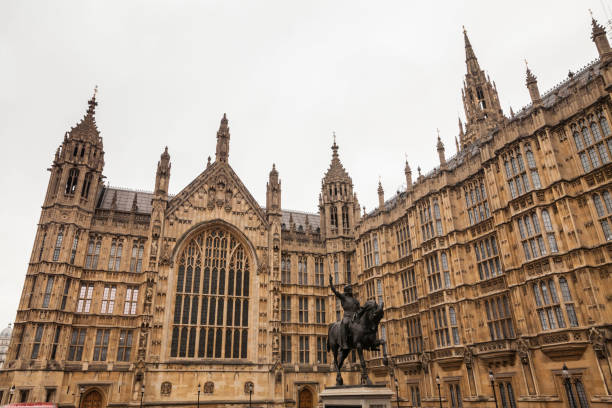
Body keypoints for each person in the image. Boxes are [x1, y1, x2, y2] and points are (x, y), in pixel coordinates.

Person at [329, 274, 361, 350]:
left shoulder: (355, 300)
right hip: (347, 316)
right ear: (347, 291)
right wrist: (331, 282)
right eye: (349, 289)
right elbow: (335, 291)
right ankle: (344, 343)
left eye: (351, 289)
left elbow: (359, 309)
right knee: (345, 323)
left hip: (355, 317)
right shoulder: (343, 297)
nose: (351, 290)